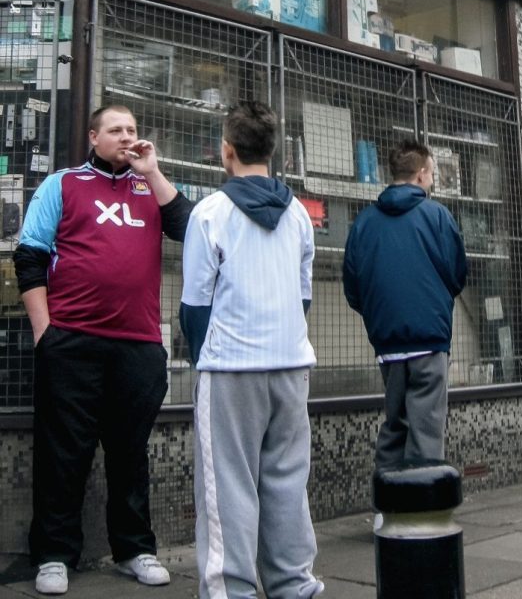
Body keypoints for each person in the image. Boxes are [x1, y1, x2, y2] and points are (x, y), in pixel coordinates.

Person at [13, 105, 193, 596]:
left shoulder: (150, 187)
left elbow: (190, 228)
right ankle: (53, 555)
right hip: (70, 343)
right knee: (62, 453)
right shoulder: (64, 184)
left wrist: (152, 171)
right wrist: (45, 334)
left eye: (133, 130)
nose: (127, 137)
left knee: (130, 453)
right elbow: (28, 256)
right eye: (116, 130)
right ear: (93, 136)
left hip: (137, 347)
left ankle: (135, 548)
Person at [179, 100, 324, 599]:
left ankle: (231, 592)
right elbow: (303, 296)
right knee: (287, 484)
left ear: (226, 152)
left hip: (230, 367)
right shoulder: (301, 217)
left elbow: (194, 306)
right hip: (290, 364)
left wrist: (206, 360)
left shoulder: (210, 214)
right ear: (273, 150)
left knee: (228, 492)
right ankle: (294, 586)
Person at [343, 139, 467, 471]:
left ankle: (387, 505)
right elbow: (457, 275)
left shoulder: (364, 223)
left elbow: (353, 287)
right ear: (422, 173)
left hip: (388, 343)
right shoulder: (438, 216)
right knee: (426, 426)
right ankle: (422, 511)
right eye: (431, 173)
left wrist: (377, 315)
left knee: (395, 423)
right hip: (429, 339)